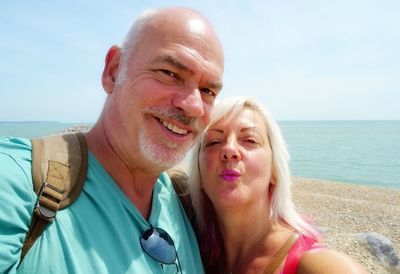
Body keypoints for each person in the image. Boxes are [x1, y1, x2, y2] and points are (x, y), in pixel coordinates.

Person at [0, 7, 224, 274]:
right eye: (170, 73)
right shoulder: (16, 183)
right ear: (114, 71)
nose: (194, 106)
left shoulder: (186, 204)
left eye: (208, 90)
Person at [183, 97, 368, 273]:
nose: (229, 149)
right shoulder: (187, 250)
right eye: (214, 141)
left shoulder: (313, 264)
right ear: (198, 172)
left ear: (274, 170)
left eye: (250, 140)